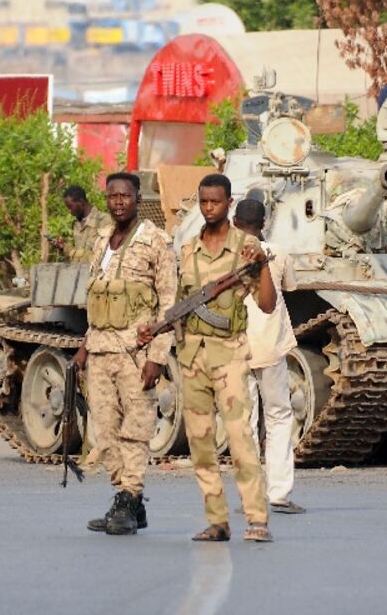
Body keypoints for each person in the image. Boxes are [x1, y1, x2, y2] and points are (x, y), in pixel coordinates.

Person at [144, 173, 275, 543]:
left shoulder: (245, 248)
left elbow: (267, 304)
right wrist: (156, 330)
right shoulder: (188, 250)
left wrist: (262, 264)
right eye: (203, 202)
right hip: (192, 356)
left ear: (228, 204)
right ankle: (217, 520)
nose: (208, 209)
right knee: (201, 443)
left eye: (215, 202)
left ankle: (257, 518)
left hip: (229, 355)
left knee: (239, 439)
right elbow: (179, 305)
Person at [73, 172, 177, 536]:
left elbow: (169, 303)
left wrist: (157, 357)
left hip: (136, 352)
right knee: (105, 431)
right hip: (100, 349)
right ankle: (125, 498)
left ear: (137, 199)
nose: (119, 201)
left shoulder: (155, 242)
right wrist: (84, 348)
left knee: (135, 430)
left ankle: (129, 497)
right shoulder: (102, 240)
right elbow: (99, 297)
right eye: (113, 196)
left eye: (126, 196)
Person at [232, 198, 305, 513]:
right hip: (270, 346)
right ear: (264, 223)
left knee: (244, 422)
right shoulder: (279, 253)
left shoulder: (225, 254)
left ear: (235, 222)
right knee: (277, 417)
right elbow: (289, 287)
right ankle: (278, 494)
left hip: (236, 348)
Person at [56, 184, 110, 263]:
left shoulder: (104, 221)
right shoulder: (75, 225)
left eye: (70, 207)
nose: (69, 211)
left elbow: (102, 256)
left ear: (81, 202)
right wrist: (63, 247)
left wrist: (70, 251)